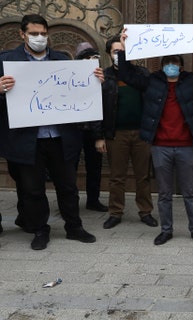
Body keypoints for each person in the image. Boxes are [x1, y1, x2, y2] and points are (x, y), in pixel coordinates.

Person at [0, 14, 101, 250]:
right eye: (34, 34)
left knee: (68, 187)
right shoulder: (7, 62)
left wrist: (95, 81)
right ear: (22, 34)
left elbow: (80, 93)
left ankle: (74, 227)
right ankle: (39, 230)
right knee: (33, 190)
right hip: (27, 140)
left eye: (43, 34)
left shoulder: (62, 59)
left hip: (60, 138)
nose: (39, 38)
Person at [117, 27, 193, 245]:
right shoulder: (152, 82)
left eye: (174, 63)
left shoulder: (191, 81)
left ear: (181, 66)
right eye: (167, 63)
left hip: (185, 147)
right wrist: (124, 49)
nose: (170, 66)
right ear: (162, 66)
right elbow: (126, 74)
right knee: (164, 194)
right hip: (160, 147)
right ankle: (166, 230)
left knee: (190, 193)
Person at [94, 35, 158, 230]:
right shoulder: (103, 76)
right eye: (116, 52)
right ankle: (115, 212)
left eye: (124, 51)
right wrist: (99, 136)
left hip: (141, 134)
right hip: (116, 134)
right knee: (117, 176)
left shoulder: (142, 73)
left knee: (143, 176)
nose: (120, 55)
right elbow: (96, 107)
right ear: (108, 54)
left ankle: (145, 211)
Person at [74, 42, 108, 213]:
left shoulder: (102, 78)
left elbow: (104, 108)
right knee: (69, 167)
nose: (90, 61)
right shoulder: (69, 77)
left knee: (94, 168)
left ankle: (93, 200)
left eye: (93, 58)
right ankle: (70, 201)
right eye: (86, 58)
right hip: (73, 132)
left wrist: (99, 135)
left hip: (92, 131)